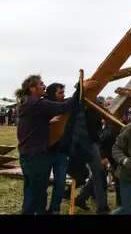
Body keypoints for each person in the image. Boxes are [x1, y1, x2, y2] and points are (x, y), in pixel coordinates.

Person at [15, 74, 97, 215]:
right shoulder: (37, 103)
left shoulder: (28, 103)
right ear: (32, 88)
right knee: (37, 193)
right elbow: (66, 106)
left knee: (31, 190)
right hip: (35, 156)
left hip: (28, 155)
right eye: (41, 84)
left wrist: (47, 123)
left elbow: (32, 124)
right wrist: (81, 88)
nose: (44, 85)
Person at [44, 83, 70, 215]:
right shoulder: (43, 107)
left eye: (63, 92)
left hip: (61, 152)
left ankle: (55, 209)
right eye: (60, 92)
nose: (63, 95)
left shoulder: (64, 106)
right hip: (45, 152)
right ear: (52, 93)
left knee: (60, 184)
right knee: (42, 184)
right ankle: (41, 209)